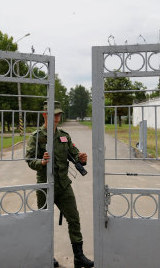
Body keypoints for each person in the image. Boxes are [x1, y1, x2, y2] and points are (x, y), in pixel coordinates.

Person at [26, 101, 94, 268]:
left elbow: (74, 153)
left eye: (58, 114)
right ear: (44, 115)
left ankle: (79, 257)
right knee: (44, 221)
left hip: (64, 185)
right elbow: (29, 159)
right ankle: (47, 255)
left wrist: (81, 159)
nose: (56, 117)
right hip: (45, 186)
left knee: (74, 219)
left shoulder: (64, 135)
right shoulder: (36, 137)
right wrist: (41, 162)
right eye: (53, 114)